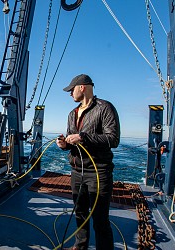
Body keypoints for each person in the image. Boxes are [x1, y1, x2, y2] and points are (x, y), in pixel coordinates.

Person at [56, 74, 120, 250]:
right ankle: (80, 245)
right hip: (77, 171)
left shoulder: (105, 108)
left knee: (100, 218)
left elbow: (113, 139)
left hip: (98, 172)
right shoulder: (72, 114)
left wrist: (83, 137)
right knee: (80, 213)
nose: (70, 94)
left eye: (71, 90)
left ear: (82, 87)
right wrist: (64, 144)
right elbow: (71, 143)